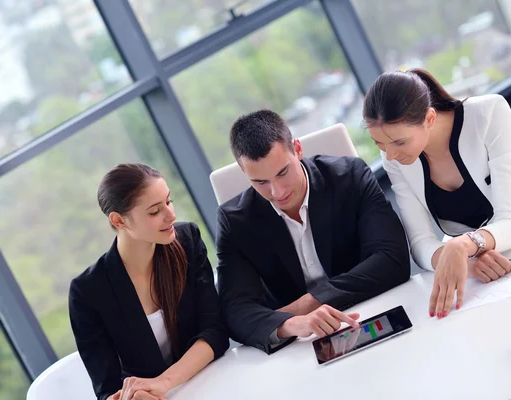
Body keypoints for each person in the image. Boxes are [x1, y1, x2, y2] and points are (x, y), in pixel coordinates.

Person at [216, 110, 410, 354]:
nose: (277, 192)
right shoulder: (235, 222)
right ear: (244, 172)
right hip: (300, 346)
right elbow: (235, 312)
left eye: (282, 172)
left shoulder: (350, 176)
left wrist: (310, 303)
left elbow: (393, 259)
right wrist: (292, 324)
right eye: (260, 182)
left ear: (297, 149)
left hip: (373, 314)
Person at [69, 163, 229, 400]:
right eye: (155, 211)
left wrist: (163, 383)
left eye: (169, 201)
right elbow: (107, 388)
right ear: (118, 221)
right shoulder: (88, 292)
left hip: (212, 381)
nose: (171, 215)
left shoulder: (187, 241)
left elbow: (214, 331)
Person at [363, 68, 511, 319]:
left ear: (429, 118)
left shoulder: (489, 114)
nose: (390, 155)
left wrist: (464, 244)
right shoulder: (393, 158)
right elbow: (420, 242)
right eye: (379, 144)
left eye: (399, 142)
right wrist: (464, 261)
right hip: (490, 281)